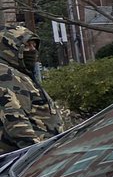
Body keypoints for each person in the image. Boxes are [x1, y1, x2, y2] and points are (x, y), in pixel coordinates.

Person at [0, 22, 67, 154]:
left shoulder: (19, 74)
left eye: (34, 45)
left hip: (48, 151)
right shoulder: (4, 74)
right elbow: (15, 121)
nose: (32, 50)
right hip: (31, 158)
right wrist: (38, 154)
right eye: (26, 46)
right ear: (10, 48)